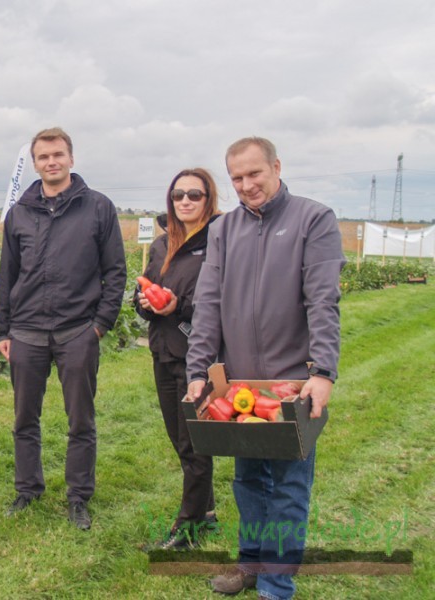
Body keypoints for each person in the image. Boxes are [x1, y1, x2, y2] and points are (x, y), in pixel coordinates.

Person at [186, 137, 345, 599]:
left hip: (291, 383)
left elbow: (322, 300)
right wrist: (199, 370)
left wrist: (322, 371)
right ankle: (250, 564)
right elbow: (209, 303)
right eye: (236, 178)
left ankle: (277, 584)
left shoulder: (313, 219)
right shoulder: (224, 229)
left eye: (254, 174)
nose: (246, 185)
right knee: (248, 480)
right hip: (240, 385)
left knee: (289, 487)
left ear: (276, 166)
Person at [0, 127, 127, 530]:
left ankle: (78, 497)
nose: (51, 162)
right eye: (43, 157)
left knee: (80, 420)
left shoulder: (98, 207)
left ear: (71, 158)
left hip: (77, 332)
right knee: (24, 419)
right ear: (34, 163)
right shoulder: (20, 212)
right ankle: (27, 489)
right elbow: (7, 274)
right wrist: (4, 329)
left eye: (58, 154)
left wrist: (99, 326)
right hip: (28, 332)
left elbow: (115, 273)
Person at [134, 168, 220, 550]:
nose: (185, 200)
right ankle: (209, 511)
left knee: (194, 442)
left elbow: (220, 300)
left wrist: (178, 307)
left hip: (199, 357)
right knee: (179, 438)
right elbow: (150, 290)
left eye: (194, 195)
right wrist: (147, 304)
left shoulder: (220, 241)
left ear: (208, 199)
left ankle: (188, 528)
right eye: (178, 194)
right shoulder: (161, 244)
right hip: (164, 352)